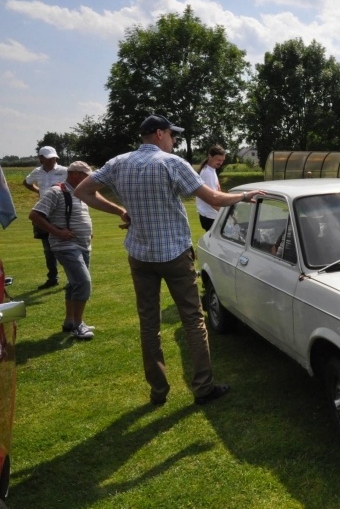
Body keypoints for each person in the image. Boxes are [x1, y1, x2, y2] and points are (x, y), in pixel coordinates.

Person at [74, 114, 261, 406]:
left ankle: (158, 392)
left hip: (139, 254)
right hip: (174, 254)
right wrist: (245, 195)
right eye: (172, 135)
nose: (174, 141)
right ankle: (203, 387)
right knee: (193, 320)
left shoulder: (118, 162)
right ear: (160, 134)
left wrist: (121, 211)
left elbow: (82, 190)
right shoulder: (171, 163)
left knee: (149, 324)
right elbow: (214, 199)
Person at [29, 161, 124, 339]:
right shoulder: (56, 191)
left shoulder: (82, 193)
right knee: (83, 282)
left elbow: (90, 206)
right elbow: (34, 215)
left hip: (83, 244)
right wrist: (58, 232)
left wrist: (118, 212)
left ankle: (70, 321)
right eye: (86, 175)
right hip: (65, 245)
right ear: (75, 175)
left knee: (74, 283)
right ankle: (79, 325)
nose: (90, 179)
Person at [24, 146, 68, 289]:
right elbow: (27, 182)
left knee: (66, 246)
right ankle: (53, 278)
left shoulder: (64, 171)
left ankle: (73, 278)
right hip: (44, 212)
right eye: (48, 158)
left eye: (54, 157)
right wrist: (39, 192)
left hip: (61, 212)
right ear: (41, 158)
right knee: (48, 249)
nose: (52, 160)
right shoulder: (37, 172)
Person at [196, 145, 226, 230]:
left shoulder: (210, 170)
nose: (220, 163)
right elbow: (213, 200)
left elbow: (217, 192)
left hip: (209, 215)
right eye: (218, 160)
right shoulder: (208, 173)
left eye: (222, 160)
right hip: (210, 216)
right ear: (210, 156)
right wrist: (225, 213)